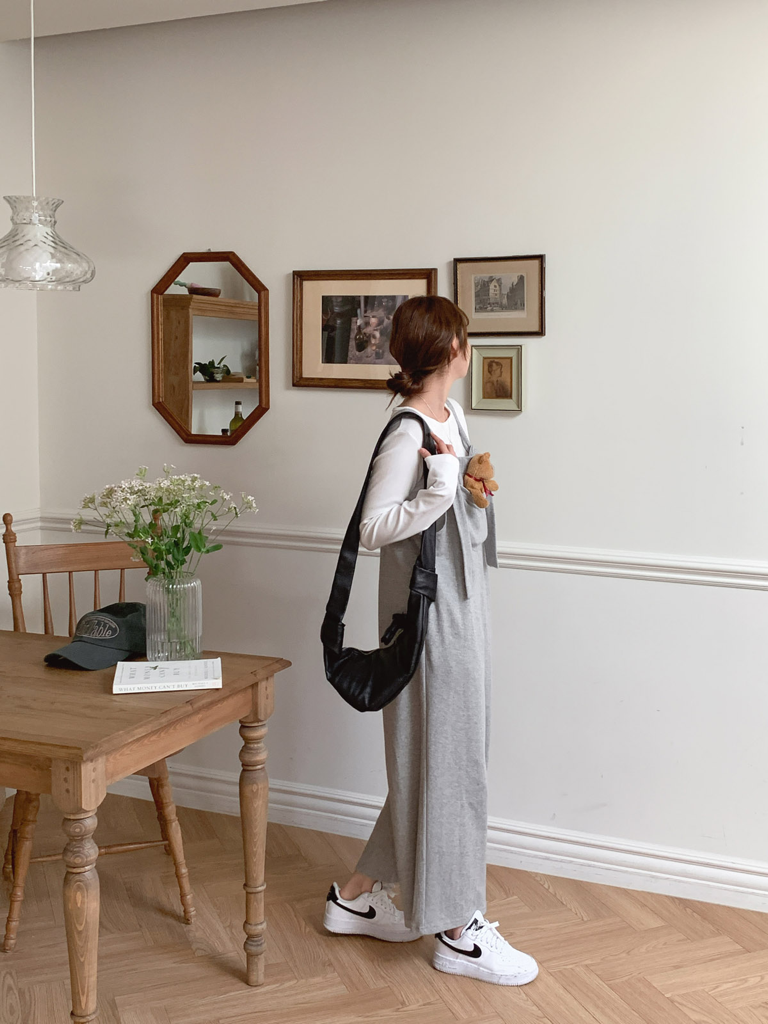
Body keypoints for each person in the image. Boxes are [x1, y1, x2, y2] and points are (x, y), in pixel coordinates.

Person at [322, 295, 538, 987]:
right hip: (427, 617)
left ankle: (356, 897)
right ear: (452, 351)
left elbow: (453, 505)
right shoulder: (406, 431)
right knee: (448, 761)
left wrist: (469, 485)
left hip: (462, 604)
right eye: (466, 340)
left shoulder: (452, 415)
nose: (469, 350)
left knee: (446, 758)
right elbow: (373, 528)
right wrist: (439, 490)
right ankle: (455, 928)